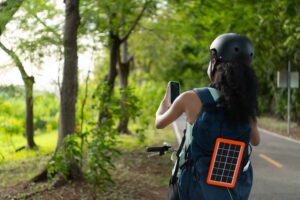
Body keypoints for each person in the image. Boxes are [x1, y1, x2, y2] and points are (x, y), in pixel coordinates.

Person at [155, 33, 260, 200]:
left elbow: (159, 123)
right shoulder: (244, 105)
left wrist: (164, 104)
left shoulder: (191, 98)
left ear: (214, 61)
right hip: (230, 190)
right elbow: (255, 140)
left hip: (192, 189)